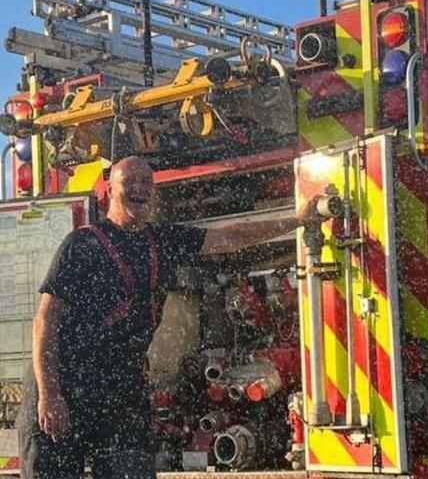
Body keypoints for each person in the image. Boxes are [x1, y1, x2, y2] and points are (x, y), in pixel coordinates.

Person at [16, 156, 315, 479]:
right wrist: (50, 396)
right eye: (129, 182)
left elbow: (229, 237)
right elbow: (45, 322)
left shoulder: (163, 240)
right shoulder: (82, 245)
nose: (140, 189)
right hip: (64, 384)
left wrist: (296, 221)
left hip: (118, 389)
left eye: (146, 182)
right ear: (109, 189)